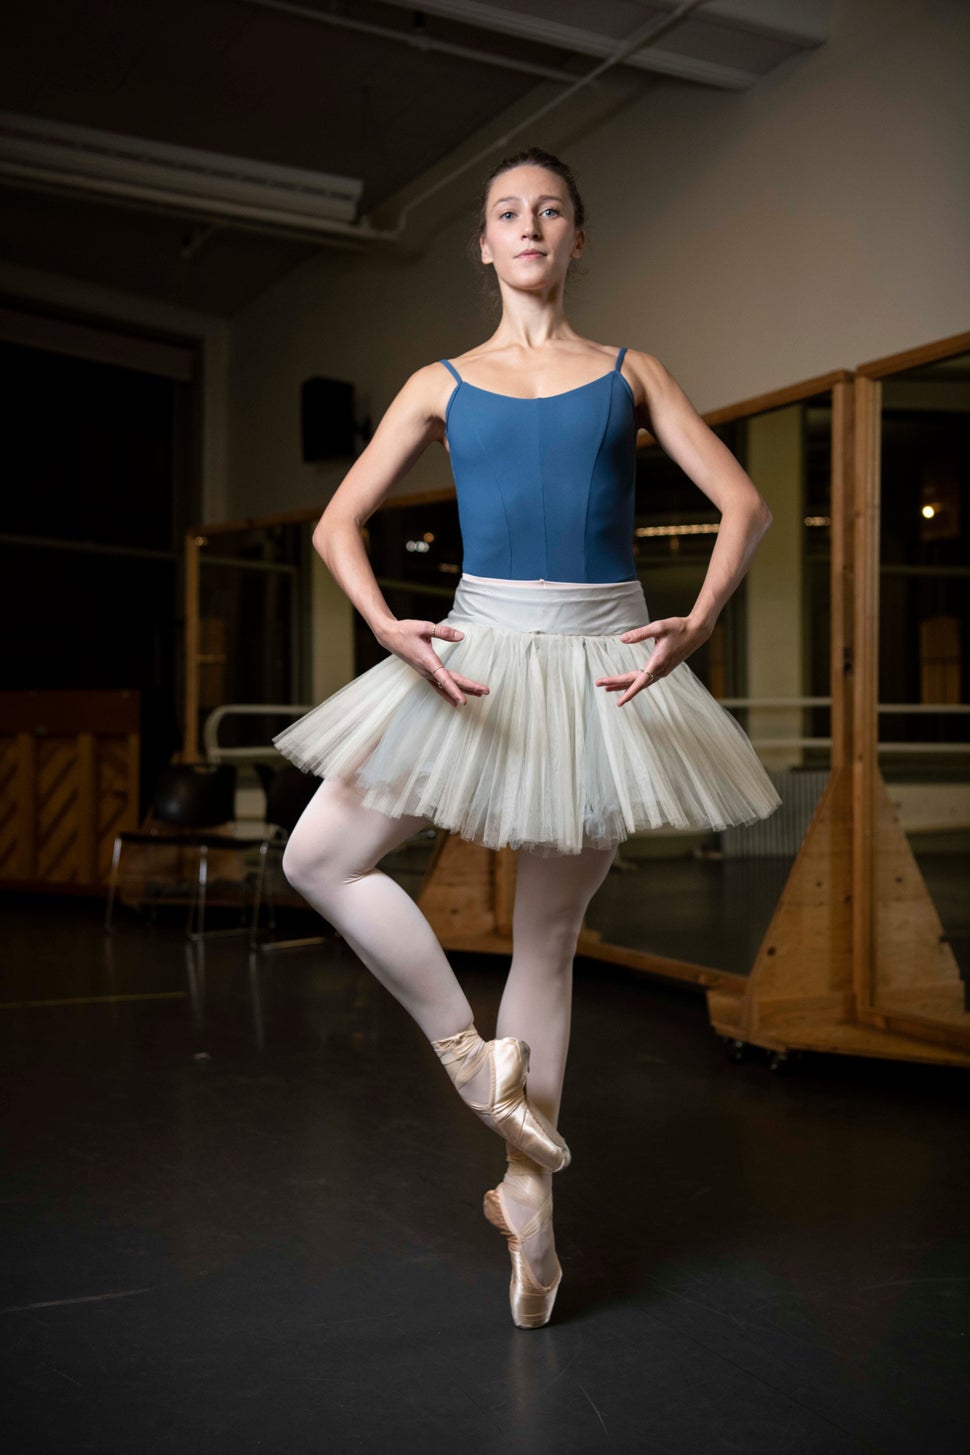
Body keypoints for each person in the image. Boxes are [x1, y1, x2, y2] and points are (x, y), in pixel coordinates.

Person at [275, 146, 780, 1330]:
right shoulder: (439, 383)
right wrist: (392, 632)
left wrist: (696, 622)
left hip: (604, 667)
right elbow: (337, 525)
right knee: (324, 859)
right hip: (478, 657)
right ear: (486, 245)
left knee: (542, 943)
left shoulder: (630, 370)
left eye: (550, 209)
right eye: (508, 211)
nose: (530, 225)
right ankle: (473, 1065)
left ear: (575, 240)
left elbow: (743, 506)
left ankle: (527, 1196)